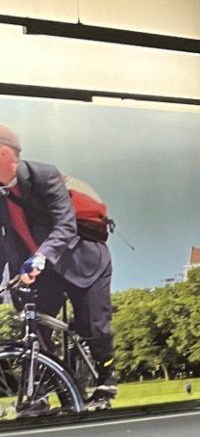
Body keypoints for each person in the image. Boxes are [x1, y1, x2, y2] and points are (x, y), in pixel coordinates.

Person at [0, 124, 116, 404]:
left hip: (81, 261)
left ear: (4, 153)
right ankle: (49, 389)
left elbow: (66, 225)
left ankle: (106, 380)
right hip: (38, 271)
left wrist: (41, 256)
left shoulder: (44, 175)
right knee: (35, 326)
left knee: (94, 327)